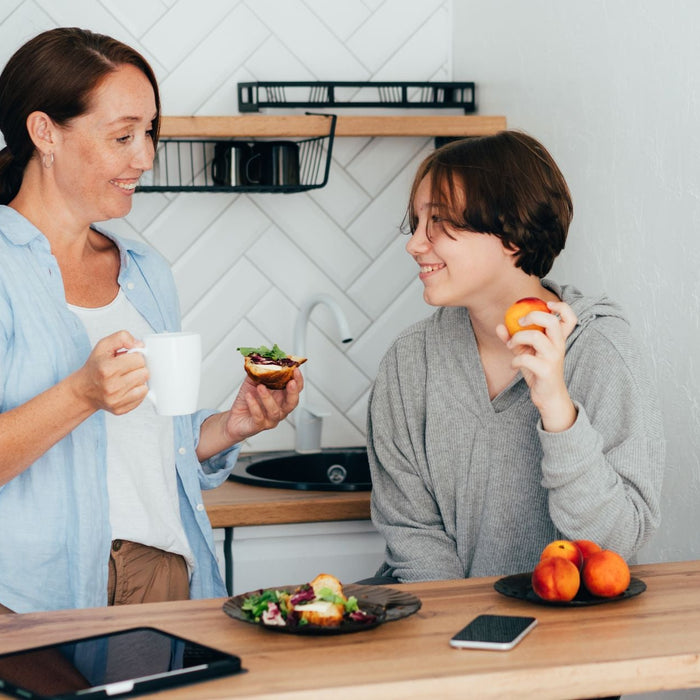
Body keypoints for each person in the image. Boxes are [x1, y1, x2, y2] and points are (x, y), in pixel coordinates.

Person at [0, 27, 302, 614]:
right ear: (44, 133)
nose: (145, 157)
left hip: (162, 572)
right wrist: (81, 393)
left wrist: (232, 426)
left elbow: (152, 445)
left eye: (150, 132)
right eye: (122, 136)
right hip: (26, 594)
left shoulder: (143, 270)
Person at [366, 130, 665, 583]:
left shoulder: (601, 352)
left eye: (441, 222)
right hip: (440, 627)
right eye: (417, 222)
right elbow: (413, 535)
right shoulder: (410, 364)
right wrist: (464, 635)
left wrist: (557, 411)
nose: (415, 244)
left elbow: (616, 544)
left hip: (571, 636)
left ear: (511, 233)